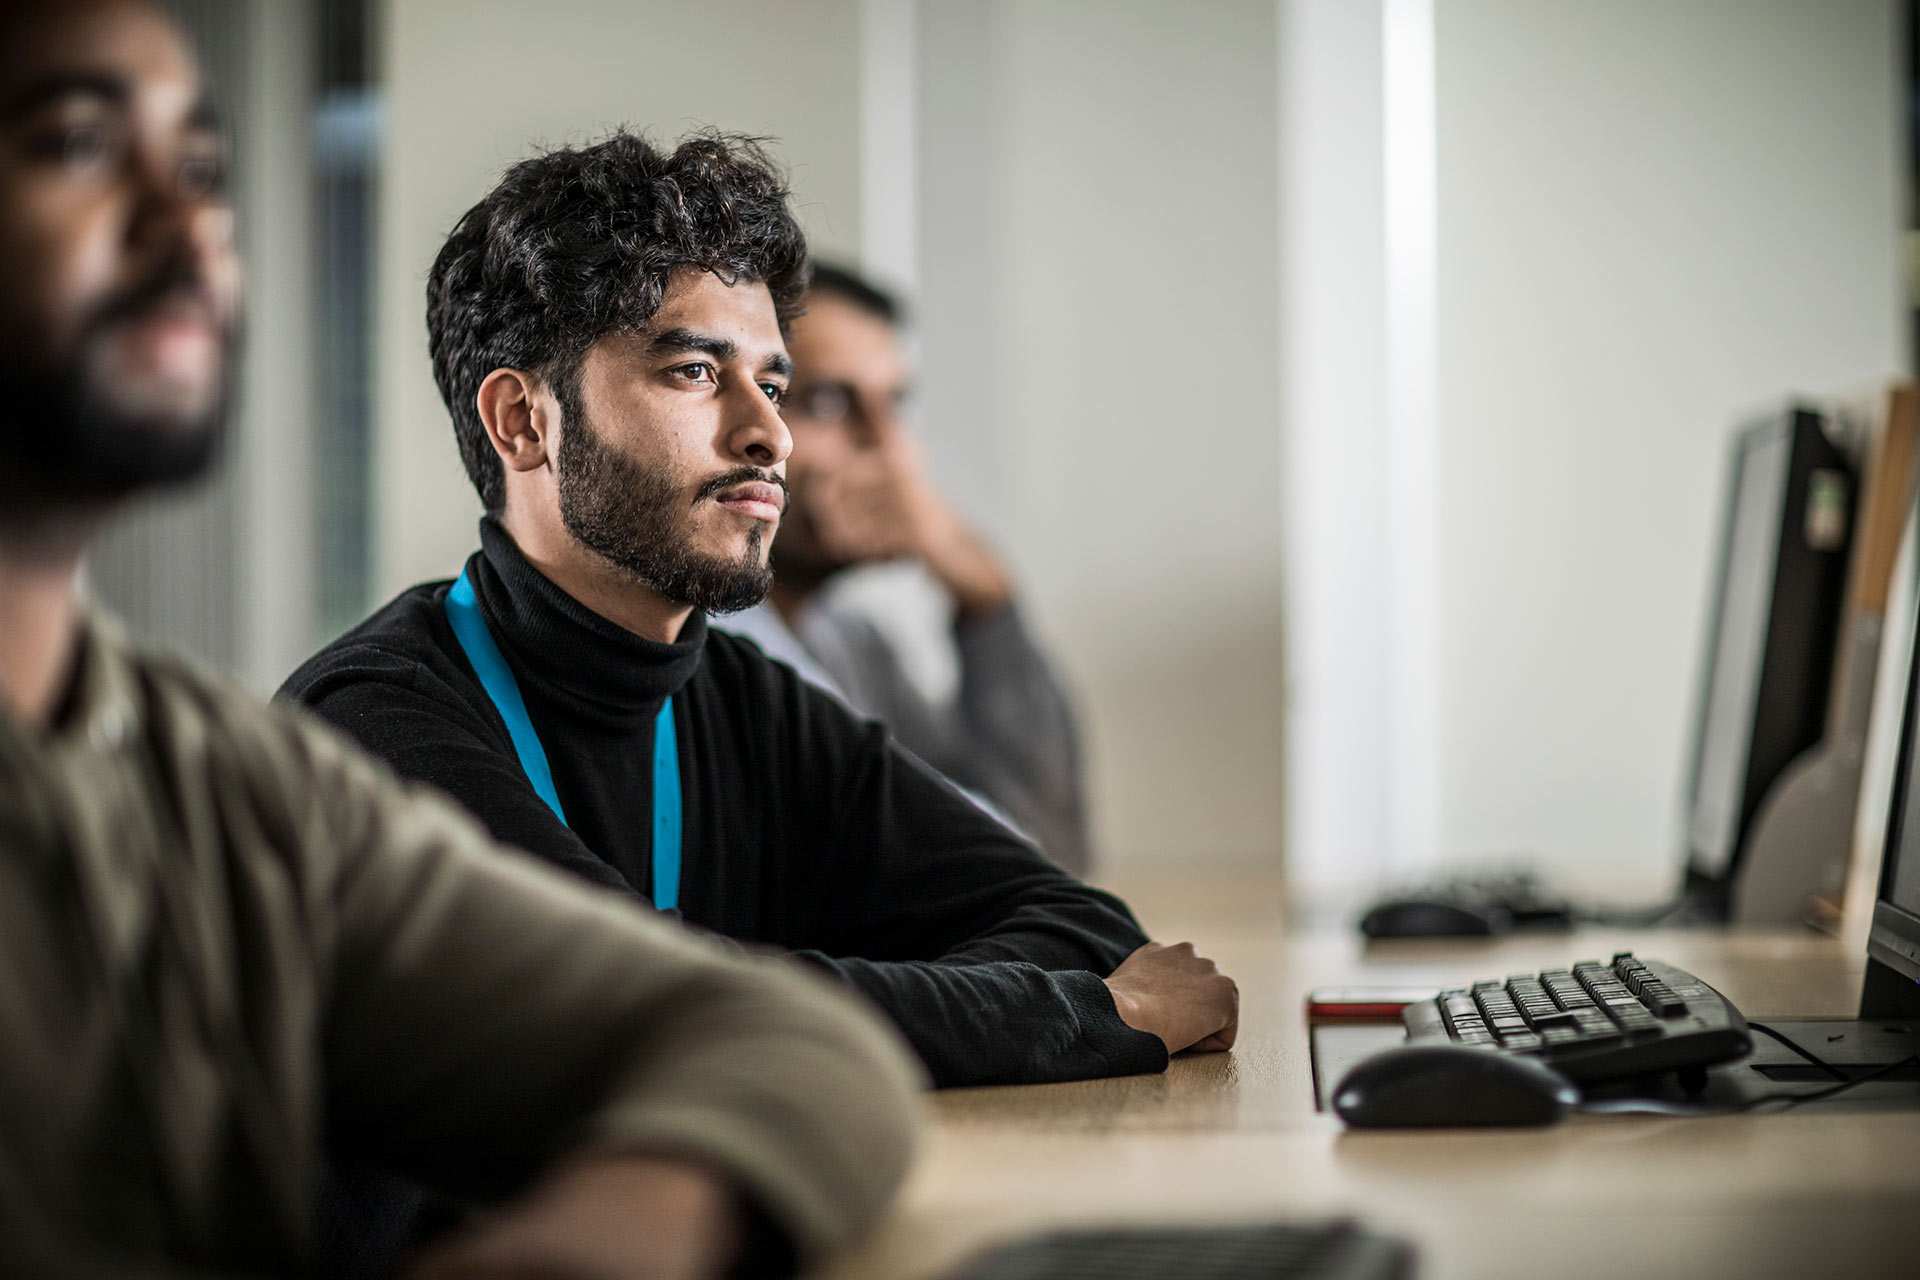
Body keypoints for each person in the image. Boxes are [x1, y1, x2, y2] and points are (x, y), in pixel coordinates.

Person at [0, 3, 921, 1275]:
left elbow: (781, 1038)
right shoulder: (365, 720)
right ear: (522, 421)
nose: (190, 224)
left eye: (206, 169)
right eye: (78, 143)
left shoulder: (227, 788)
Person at [282, 131, 1239, 1091]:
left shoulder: (742, 696)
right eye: (695, 372)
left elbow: (1081, 922)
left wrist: (776, 1001)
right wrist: (1094, 1018)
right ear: (523, 422)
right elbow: (639, 1010)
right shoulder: (372, 724)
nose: (769, 432)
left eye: (772, 382)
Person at [718, 265, 1092, 874]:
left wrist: (986, 600)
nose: (894, 449)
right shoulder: (708, 642)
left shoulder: (850, 639)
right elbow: (985, 880)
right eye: (831, 403)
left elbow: (1045, 858)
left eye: (894, 404)